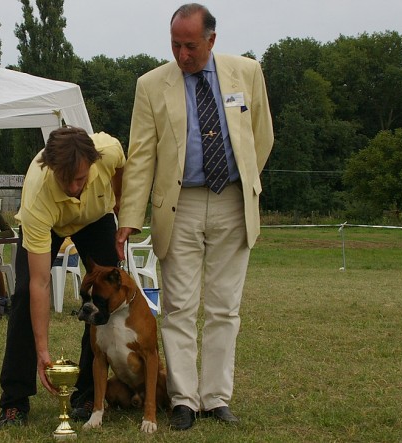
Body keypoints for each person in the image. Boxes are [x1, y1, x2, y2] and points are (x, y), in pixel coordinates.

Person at [116, 3, 274, 430]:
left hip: (233, 201)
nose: (182, 55)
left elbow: (261, 135)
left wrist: (246, 180)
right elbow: (141, 155)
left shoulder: (248, 73)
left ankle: (217, 399)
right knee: (179, 306)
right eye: (175, 45)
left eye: (190, 46)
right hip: (178, 204)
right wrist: (129, 217)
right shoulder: (150, 85)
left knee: (225, 308)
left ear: (211, 40)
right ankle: (184, 400)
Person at [0, 127, 125, 428]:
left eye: (80, 179)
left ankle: (89, 395)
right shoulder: (37, 194)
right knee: (25, 294)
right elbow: (40, 283)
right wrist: (43, 351)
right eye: (64, 180)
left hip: (96, 218)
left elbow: (121, 165)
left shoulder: (107, 150)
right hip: (50, 223)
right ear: (50, 168)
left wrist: (119, 199)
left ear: (92, 163)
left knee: (106, 296)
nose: (73, 188)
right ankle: (14, 401)